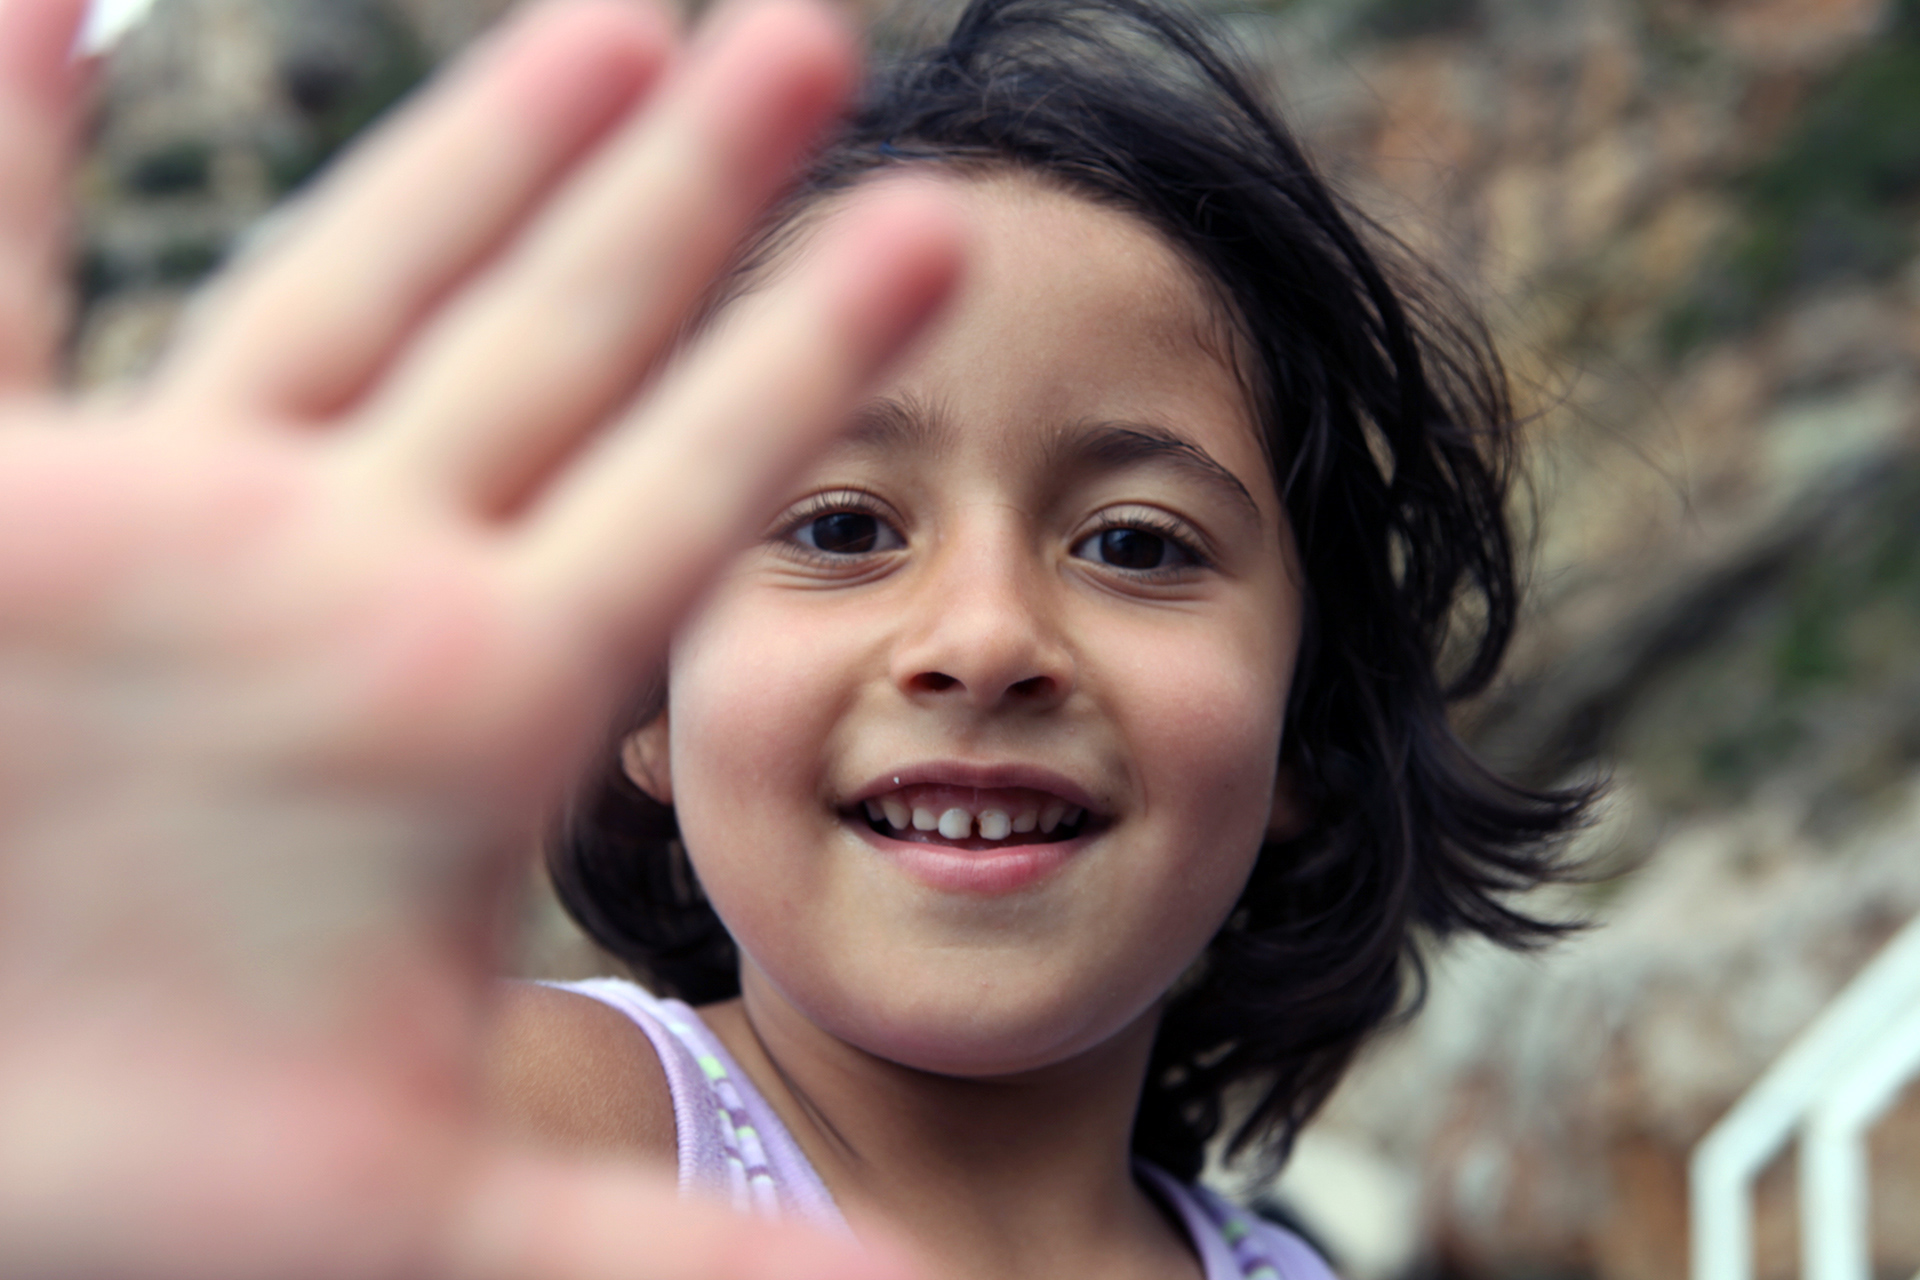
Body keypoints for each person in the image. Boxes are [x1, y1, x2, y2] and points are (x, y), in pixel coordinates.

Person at [0, 0, 1587, 1277]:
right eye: (838, 528)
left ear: (1308, 728)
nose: (984, 636)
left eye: (1133, 544)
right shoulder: (553, 1130)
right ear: (635, 693)